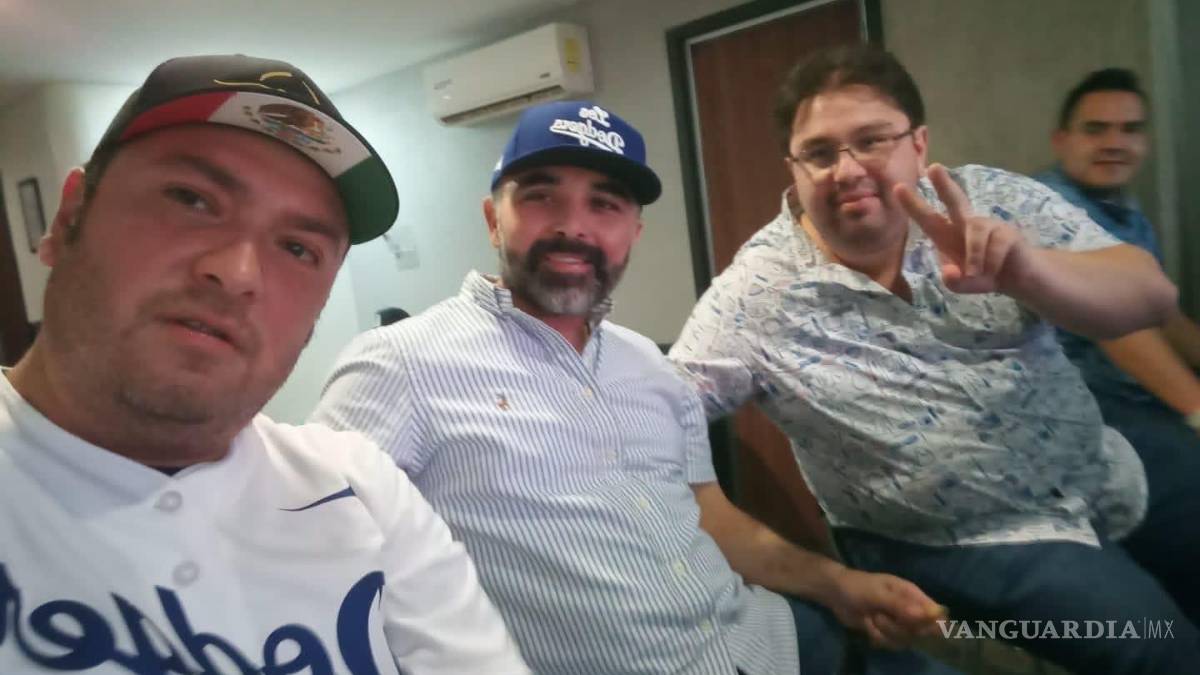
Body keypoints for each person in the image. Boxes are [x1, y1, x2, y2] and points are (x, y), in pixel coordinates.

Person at [313, 100, 959, 674]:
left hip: (776, 642)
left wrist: (839, 585)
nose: (574, 225)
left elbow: (709, 515)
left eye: (606, 203)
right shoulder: (399, 364)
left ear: (634, 232)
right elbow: (314, 568)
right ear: (492, 218)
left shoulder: (652, 365)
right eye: (540, 195)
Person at [669, 46, 1195, 675]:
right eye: (820, 152)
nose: (847, 169)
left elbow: (1150, 294)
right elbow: (651, 430)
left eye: (872, 140)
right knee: (1159, 646)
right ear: (793, 168)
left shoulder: (987, 201)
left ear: (918, 145)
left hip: (1100, 464)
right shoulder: (755, 296)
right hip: (952, 539)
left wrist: (1028, 272)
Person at [0, 54, 528, 674]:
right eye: (192, 199)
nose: (237, 272)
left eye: (298, 248)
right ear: (69, 217)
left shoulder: (358, 486)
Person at [1035, 67, 1200, 625]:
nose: (1114, 142)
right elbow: (1115, 325)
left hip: (1131, 396)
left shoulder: (1125, 214)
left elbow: (1163, 315)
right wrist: (1197, 408)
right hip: (1075, 404)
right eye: (1096, 129)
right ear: (1062, 140)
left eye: (1129, 130)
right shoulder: (1049, 207)